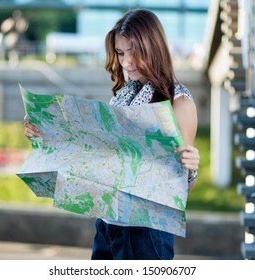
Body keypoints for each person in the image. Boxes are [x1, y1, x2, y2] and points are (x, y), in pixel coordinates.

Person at [24, 9, 200, 260]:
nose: (127, 62)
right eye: (120, 53)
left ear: (153, 47)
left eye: (134, 52)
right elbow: (98, 158)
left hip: (146, 231)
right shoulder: (121, 98)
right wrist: (46, 137)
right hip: (108, 225)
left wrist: (191, 170)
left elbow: (181, 188)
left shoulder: (179, 103)